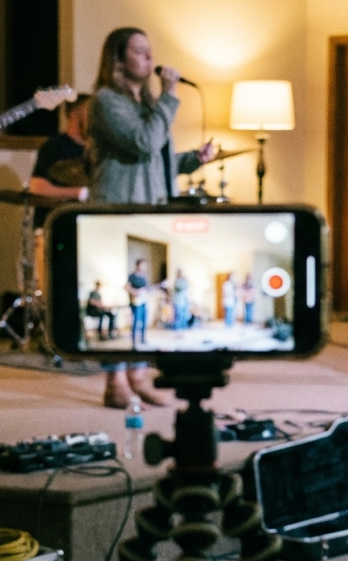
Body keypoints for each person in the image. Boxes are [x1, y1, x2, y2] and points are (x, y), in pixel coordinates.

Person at [86, 26, 215, 407]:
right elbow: (143, 143)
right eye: (140, 51)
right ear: (118, 59)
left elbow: (155, 160)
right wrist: (171, 97)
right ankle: (115, 384)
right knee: (124, 301)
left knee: (141, 309)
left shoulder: (147, 107)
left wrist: (193, 159)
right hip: (117, 204)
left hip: (148, 204)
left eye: (150, 51)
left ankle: (138, 376)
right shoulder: (106, 102)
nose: (150, 58)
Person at [29, 92, 91, 228]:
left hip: (87, 226)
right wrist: (80, 193)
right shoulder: (54, 146)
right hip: (56, 225)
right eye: (90, 111)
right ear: (75, 114)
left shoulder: (96, 150)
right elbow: (37, 187)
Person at [127, 258, 149, 348]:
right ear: (138, 265)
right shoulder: (132, 276)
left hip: (143, 301)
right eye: (142, 264)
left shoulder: (143, 276)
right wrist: (135, 292)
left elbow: (146, 288)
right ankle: (134, 341)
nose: (144, 267)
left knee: (144, 321)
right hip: (135, 302)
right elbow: (126, 287)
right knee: (136, 322)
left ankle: (143, 338)